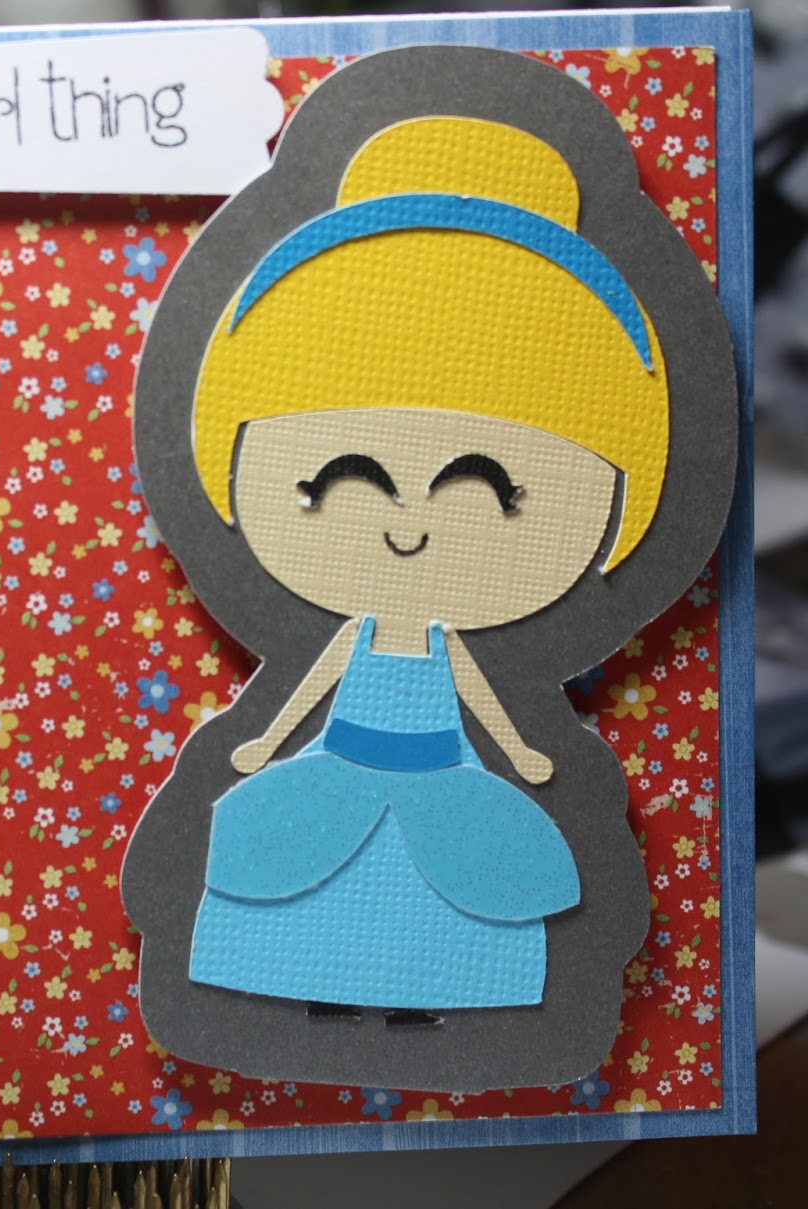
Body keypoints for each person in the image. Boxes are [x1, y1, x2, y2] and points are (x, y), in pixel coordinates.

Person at [184, 117, 672, 1016]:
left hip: (443, 779)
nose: (410, 519)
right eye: (342, 479)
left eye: (488, 491)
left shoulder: (451, 643)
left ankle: (425, 999)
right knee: (302, 863)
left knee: (460, 878)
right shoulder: (358, 632)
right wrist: (266, 741)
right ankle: (322, 992)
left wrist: (520, 751)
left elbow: (483, 701)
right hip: (340, 769)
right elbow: (311, 690)